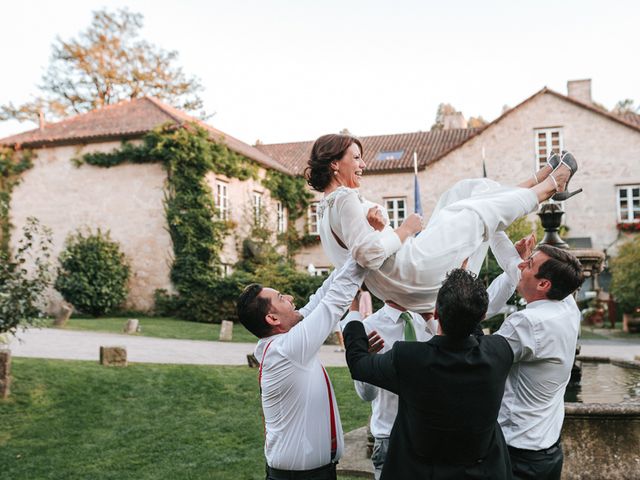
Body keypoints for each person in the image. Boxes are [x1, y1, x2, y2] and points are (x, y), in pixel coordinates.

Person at [306, 133, 580, 312]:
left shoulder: (326, 208)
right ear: (334, 164)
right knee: (472, 215)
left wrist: (379, 228)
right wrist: (405, 229)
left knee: (463, 193)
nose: (363, 164)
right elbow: (367, 255)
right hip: (410, 269)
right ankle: (549, 186)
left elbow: (355, 258)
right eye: (356, 158)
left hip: (403, 275)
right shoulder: (344, 199)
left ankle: (537, 181)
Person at [342, 268, 515, 479]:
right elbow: (474, 332)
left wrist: (353, 311)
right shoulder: (500, 351)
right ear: (482, 316)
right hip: (479, 470)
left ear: (436, 312)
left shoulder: (409, 358)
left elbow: (359, 363)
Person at [236, 258, 364, 480]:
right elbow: (334, 301)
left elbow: (322, 297)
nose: (290, 298)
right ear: (272, 318)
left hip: (311, 473)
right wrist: (368, 250)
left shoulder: (284, 342)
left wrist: (350, 252)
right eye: (281, 297)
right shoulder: (286, 349)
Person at [493, 244, 583, 480]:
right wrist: (496, 234)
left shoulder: (526, 323)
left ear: (544, 284)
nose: (521, 265)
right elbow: (514, 268)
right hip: (548, 450)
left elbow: (477, 362)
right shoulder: (568, 307)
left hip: (518, 455)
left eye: (529, 264)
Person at [344, 300, 438, 479]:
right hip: (389, 437)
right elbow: (366, 395)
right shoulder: (368, 327)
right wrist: (368, 362)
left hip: (429, 435)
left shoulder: (428, 322)